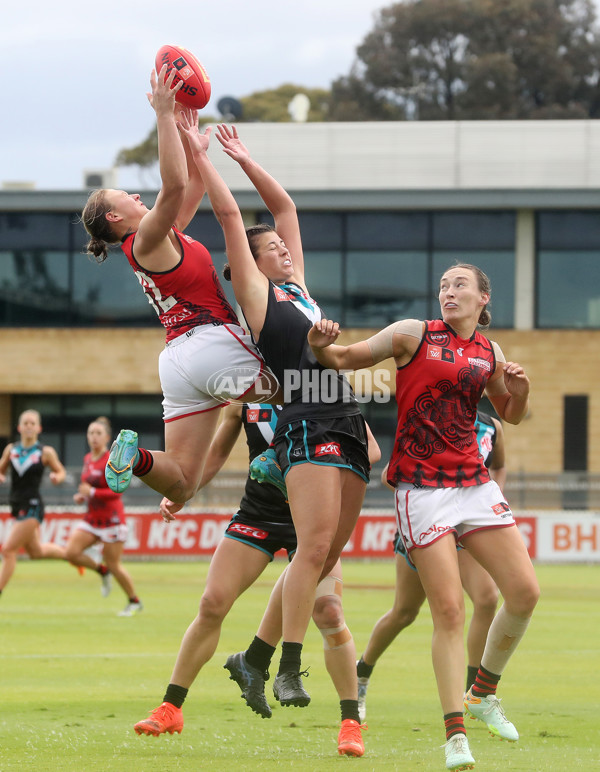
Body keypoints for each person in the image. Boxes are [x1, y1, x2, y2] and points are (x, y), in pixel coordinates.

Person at [165, 118, 371, 709]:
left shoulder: (301, 287)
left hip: (347, 416)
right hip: (306, 418)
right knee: (311, 551)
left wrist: (245, 158)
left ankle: (251, 658)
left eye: (282, 245)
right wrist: (203, 161)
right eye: (271, 248)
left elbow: (285, 208)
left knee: (326, 554)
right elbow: (233, 220)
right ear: (250, 266)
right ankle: (287, 668)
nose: (282, 246)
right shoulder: (260, 297)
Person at [307, 263, 540, 771]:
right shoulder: (412, 334)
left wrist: (519, 390)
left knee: (524, 593)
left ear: (483, 298)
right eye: (443, 285)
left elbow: (511, 414)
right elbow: (343, 358)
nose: (448, 292)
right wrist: (320, 342)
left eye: (460, 285)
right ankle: (455, 736)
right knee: (448, 612)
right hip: (421, 490)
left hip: (474, 484)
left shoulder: (490, 352)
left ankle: (483, 693)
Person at [80, 66, 278, 508]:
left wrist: (194, 144)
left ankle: (137, 459)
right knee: (308, 389)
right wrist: (164, 116)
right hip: (210, 344)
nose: (135, 196)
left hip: (179, 361)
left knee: (183, 483)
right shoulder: (144, 239)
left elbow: (186, 187)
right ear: (115, 219)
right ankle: (277, 461)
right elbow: (171, 185)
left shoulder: (165, 234)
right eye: (125, 198)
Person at [134, 402, 379, 756]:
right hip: (258, 515)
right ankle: (170, 708)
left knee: (329, 612)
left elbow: (369, 449)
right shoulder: (245, 399)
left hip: (313, 521)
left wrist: (300, 462)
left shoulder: (324, 391)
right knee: (211, 603)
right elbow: (216, 453)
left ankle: (350, 724)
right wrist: (182, 493)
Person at [356, 411, 506, 722]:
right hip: (427, 527)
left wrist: (491, 499)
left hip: (465, 530)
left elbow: (498, 466)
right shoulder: (429, 421)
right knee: (404, 613)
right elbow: (388, 476)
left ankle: (475, 694)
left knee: (488, 598)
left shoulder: (492, 427)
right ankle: (361, 673)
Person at [64, 417, 143, 617]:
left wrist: (91, 493)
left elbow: (117, 491)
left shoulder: (113, 459)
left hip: (112, 520)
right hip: (92, 519)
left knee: (115, 564)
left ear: (107, 437)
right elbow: (87, 487)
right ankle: (101, 571)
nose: (94, 437)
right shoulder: (87, 459)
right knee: (71, 553)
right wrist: (82, 496)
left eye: (98, 433)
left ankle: (134, 601)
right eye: (91, 433)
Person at [0, 409, 67, 596]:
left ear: (39, 428)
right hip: (17, 504)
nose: (29, 426)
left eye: (32, 423)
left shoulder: (45, 452)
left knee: (8, 550)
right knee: (36, 552)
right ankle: (71, 554)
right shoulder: (11, 450)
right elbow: (1, 470)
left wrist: (57, 477)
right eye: (26, 423)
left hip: (33, 505)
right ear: (19, 427)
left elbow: (61, 472)